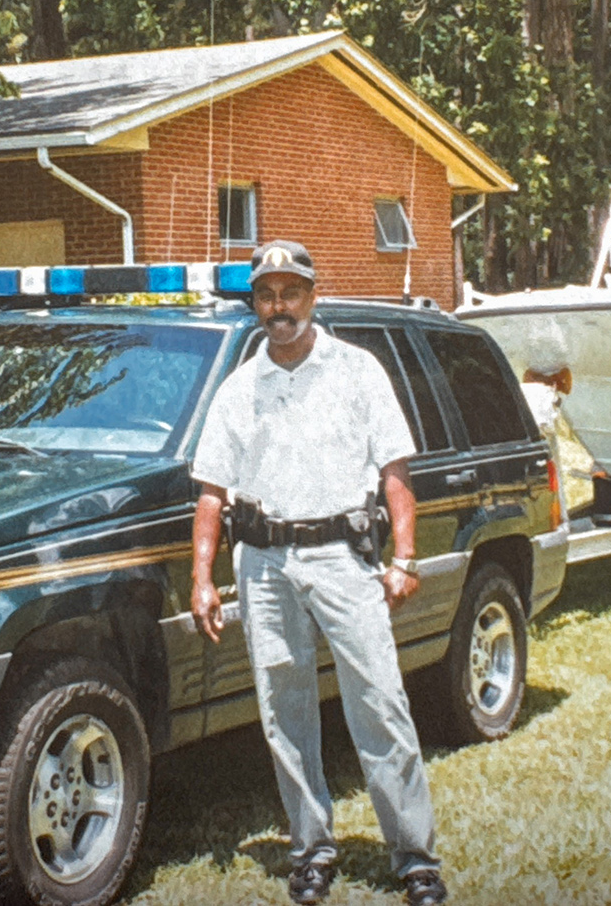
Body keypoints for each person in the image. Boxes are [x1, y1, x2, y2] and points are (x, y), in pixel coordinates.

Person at [188, 240, 447, 906]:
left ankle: (415, 856)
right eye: (268, 293)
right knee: (284, 710)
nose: (280, 305)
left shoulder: (359, 371)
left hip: (342, 556)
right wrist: (203, 578)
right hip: (265, 565)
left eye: (292, 291)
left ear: (313, 294)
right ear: (256, 303)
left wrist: (406, 558)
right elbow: (212, 493)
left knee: (380, 703)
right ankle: (311, 849)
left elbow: (395, 473)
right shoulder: (239, 389)